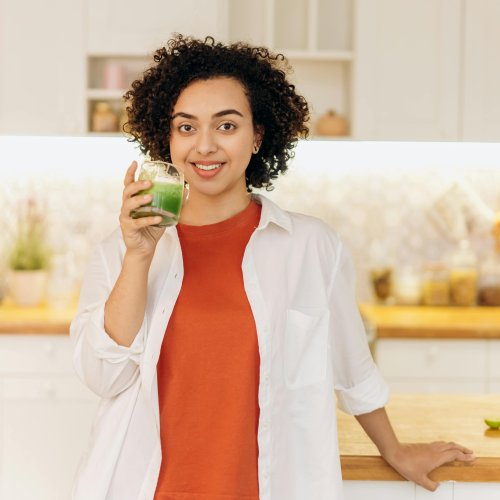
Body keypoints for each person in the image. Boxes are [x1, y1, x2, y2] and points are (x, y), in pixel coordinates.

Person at [70, 34, 475, 500]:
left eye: (226, 126)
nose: (204, 146)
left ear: (258, 135)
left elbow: (351, 364)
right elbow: (104, 377)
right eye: (186, 127)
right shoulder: (120, 251)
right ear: (166, 137)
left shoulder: (310, 246)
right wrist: (139, 256)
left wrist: (396, 450)